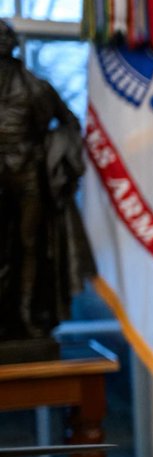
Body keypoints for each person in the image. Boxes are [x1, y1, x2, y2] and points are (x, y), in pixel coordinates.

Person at [0, 20, 93, 342]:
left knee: (30, 245)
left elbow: (70, 123)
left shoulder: (36, 87)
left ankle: (26, 313)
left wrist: (53, 153)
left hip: (28, 172)